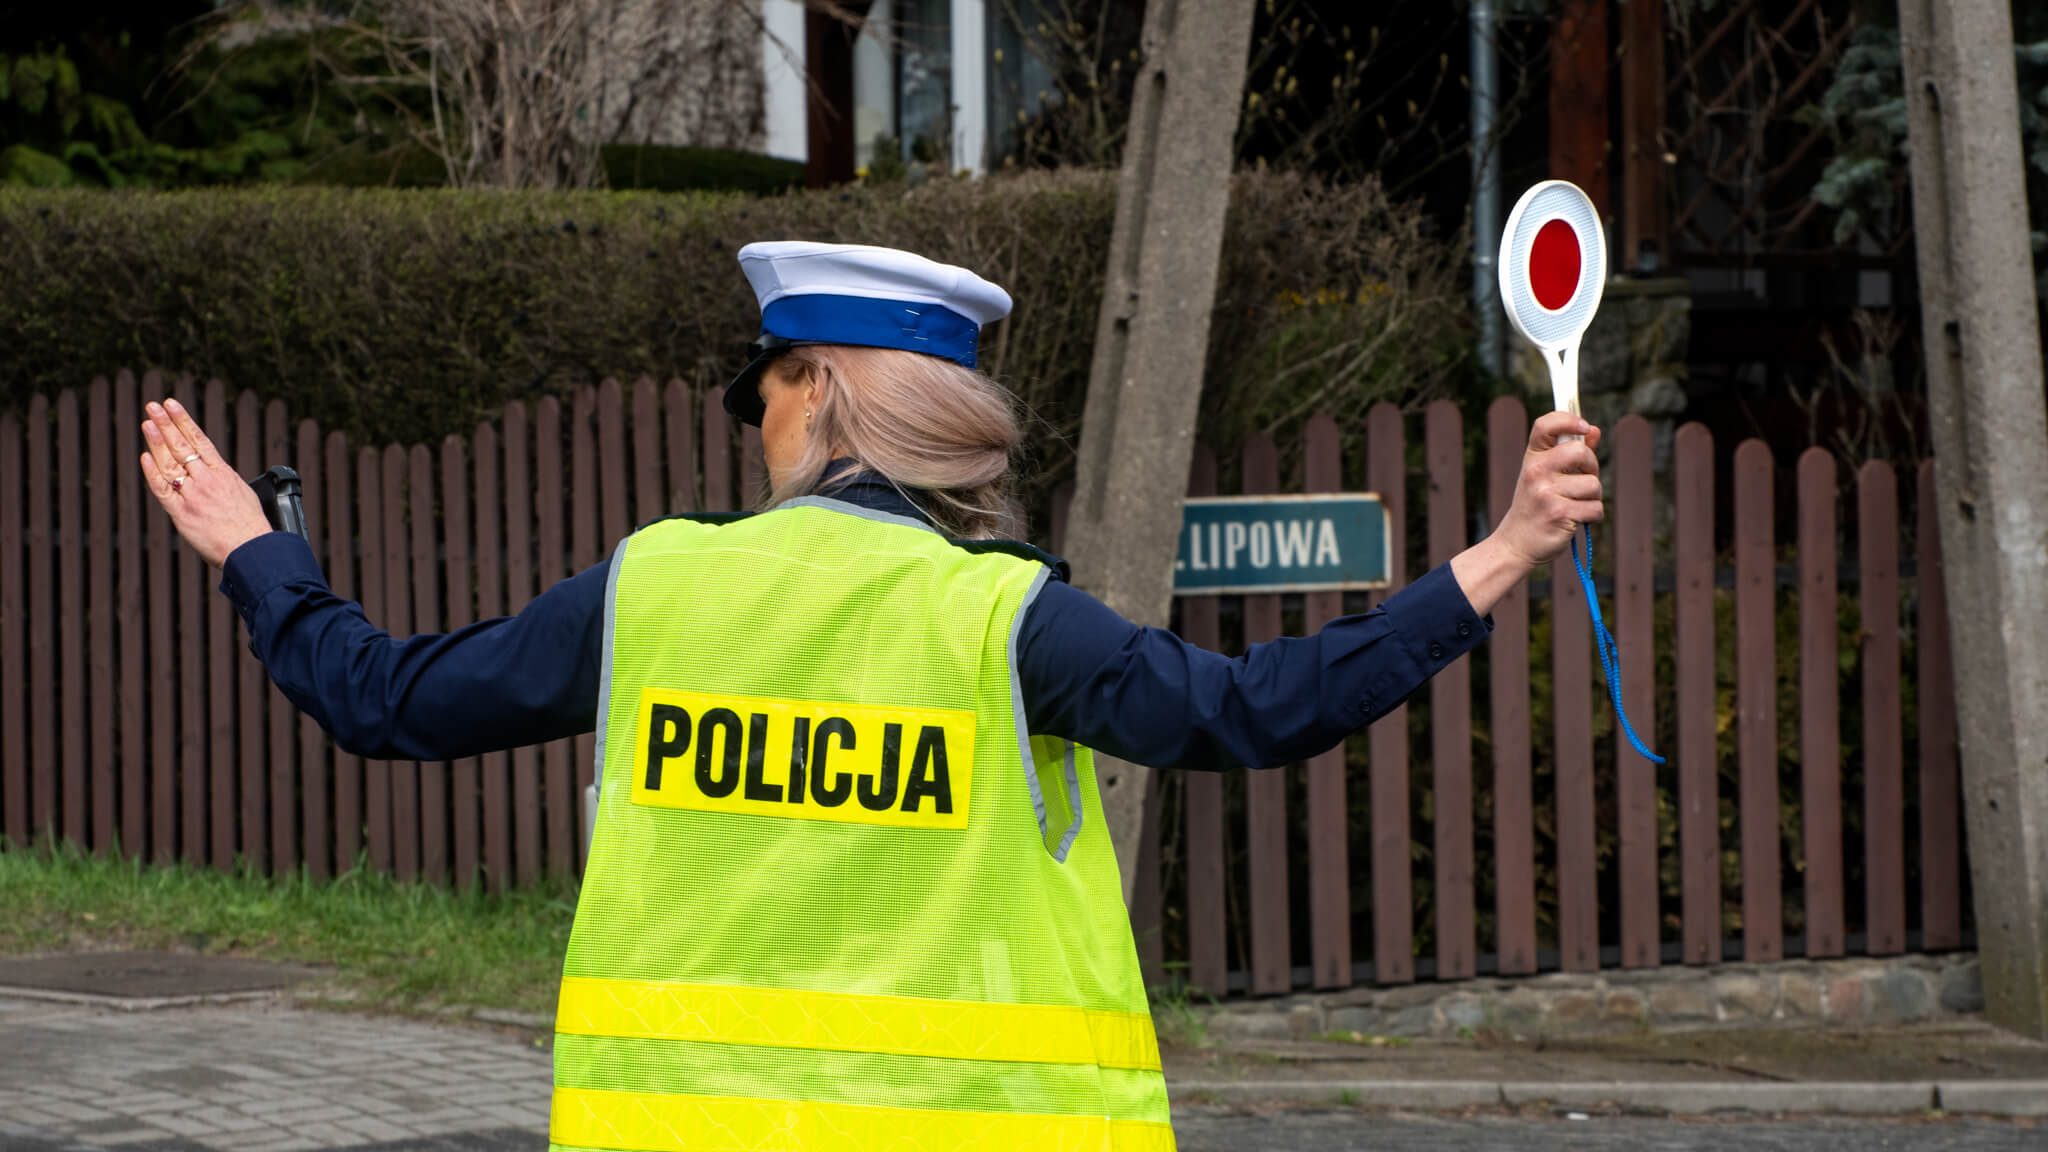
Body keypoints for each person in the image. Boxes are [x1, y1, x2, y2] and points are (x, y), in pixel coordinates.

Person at [140, 241, 1605, 1152]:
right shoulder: (1003, 620)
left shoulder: (657, 591)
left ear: (825, 392)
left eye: (764, 386)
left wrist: (265, 561)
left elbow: (385, 698)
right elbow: (1250, 711)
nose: (751, 418)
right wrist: (1499, 553)